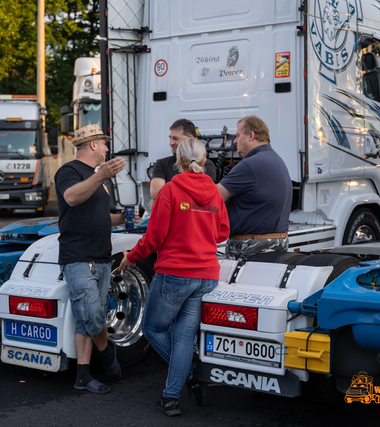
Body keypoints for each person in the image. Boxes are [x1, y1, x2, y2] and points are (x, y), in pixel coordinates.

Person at [120, 138, 230, 416]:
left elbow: (153, 238)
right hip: (206, 275)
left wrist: (130, 257)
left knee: (153, 328)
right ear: (204, 161)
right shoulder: (215, 193)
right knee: (183, 338)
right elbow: (222, 233)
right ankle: (171, 397)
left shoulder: (170, 190)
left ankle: (187, 377)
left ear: (177, 162)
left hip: (176, 273)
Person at [55, 124, 126, 394]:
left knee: (85, 320)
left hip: (101, 256)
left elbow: (100, 215)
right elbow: (72, 198)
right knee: (92, 315)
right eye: (104, 144)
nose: (107, 149)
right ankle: (108, 355)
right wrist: (101, 176)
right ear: (93, 145)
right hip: (79, 256)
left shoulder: (97, 178)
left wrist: (121, 218)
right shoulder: (69, 171)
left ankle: (82, 376)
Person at [217, 115, 292, 260]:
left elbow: (214, 196)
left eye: (238, 135)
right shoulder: (276, 159)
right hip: (277, 244)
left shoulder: (250, 164)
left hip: (250, 248)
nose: (235, 141)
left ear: (251, 136)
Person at [150, 119, 217, 205]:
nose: (171, 143)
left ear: (190, 139)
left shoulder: (207, 165)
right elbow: (155, 194)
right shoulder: (162, 164)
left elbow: (205, 196)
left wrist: (168, 195)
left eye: (175, 139)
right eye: (170, 138)